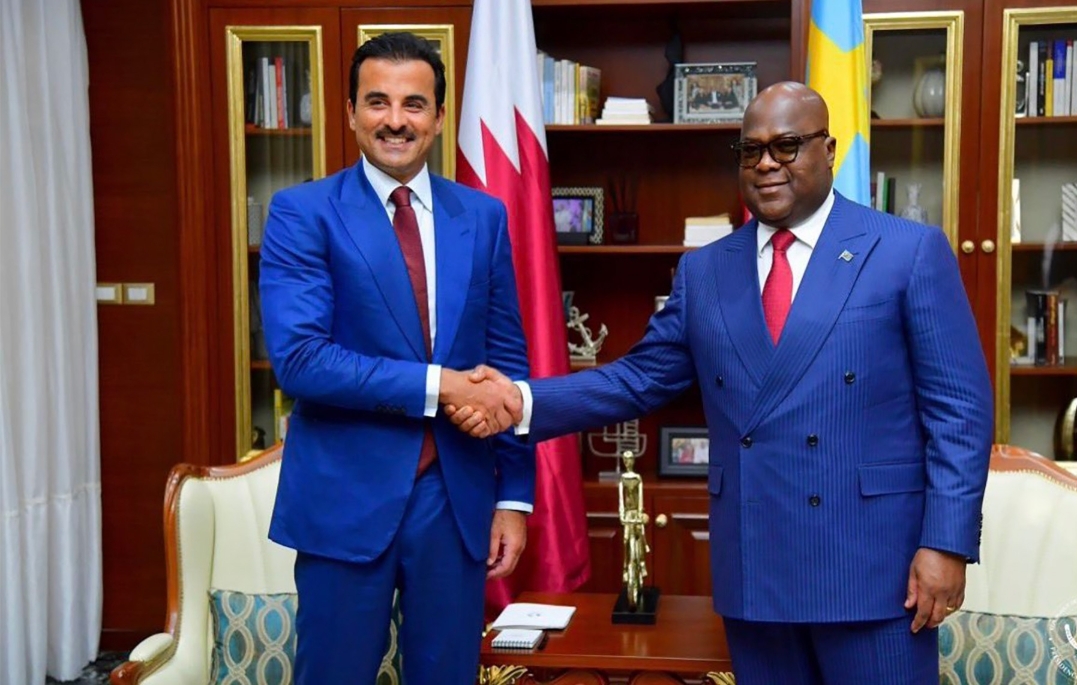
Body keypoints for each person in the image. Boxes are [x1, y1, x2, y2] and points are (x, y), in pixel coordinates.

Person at [450, 82, 993, 685]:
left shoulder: (906, 250)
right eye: (750, 149)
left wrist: (945, 544)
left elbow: (960, 412)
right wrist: (520, 400)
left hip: (875, 570)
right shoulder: (706, 268)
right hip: (756, 566)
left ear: (829, 150)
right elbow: (641, 378)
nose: (765, 163)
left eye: (787, 146)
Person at [257, 32, 529, 685]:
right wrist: (441, 385)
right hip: (343, 496)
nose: (396, 120)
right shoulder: (303, 214)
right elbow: (300, 360)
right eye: (377, 102)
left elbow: (506, 360)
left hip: (456, 495)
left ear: (438, 117)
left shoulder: (483, 217)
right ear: (350, 111)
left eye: (414, 103)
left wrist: (515, 496)